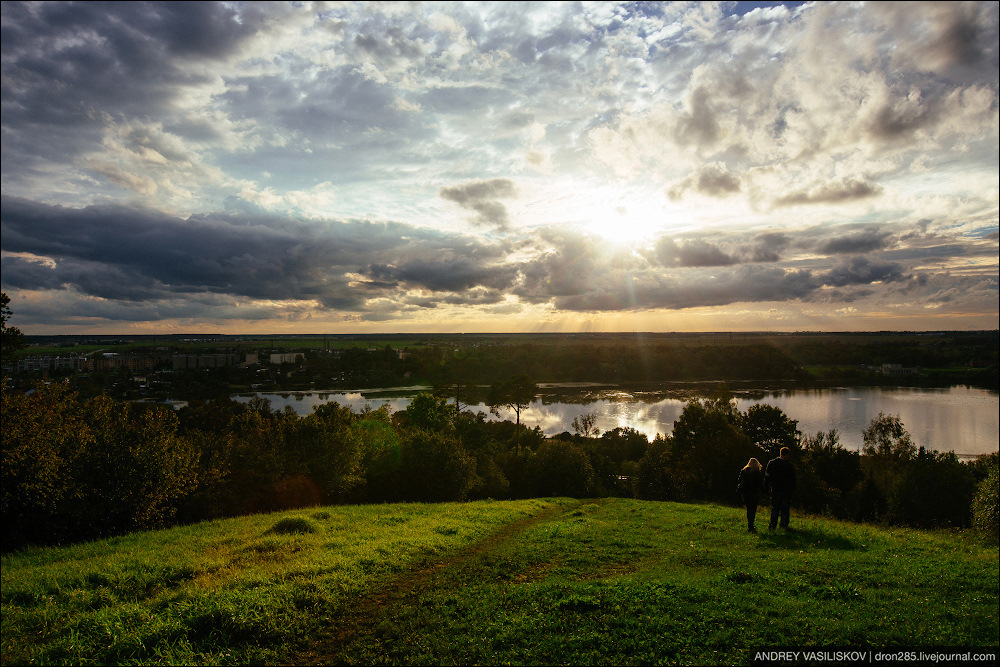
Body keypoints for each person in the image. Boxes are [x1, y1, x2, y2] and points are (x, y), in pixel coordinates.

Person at [765, 446, 796, 530]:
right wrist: (792, 490)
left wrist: (767, 487)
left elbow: (767, 476)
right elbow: (793, 480)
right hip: (786, 491)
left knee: (775, 508)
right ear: (787, 454)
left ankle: (772, 525)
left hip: (775, 489)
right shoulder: (790, 466)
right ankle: (783, 525)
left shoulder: (772, 463)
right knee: (785, 509)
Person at [737, 458, 764, 532]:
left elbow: (739, 480)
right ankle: (751, 525)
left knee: (748, 509)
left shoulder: (744, 471)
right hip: (754, 493)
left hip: (745, 493)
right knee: (753, 510)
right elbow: (760, 485)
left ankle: (750, 524)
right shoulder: (757, 473)